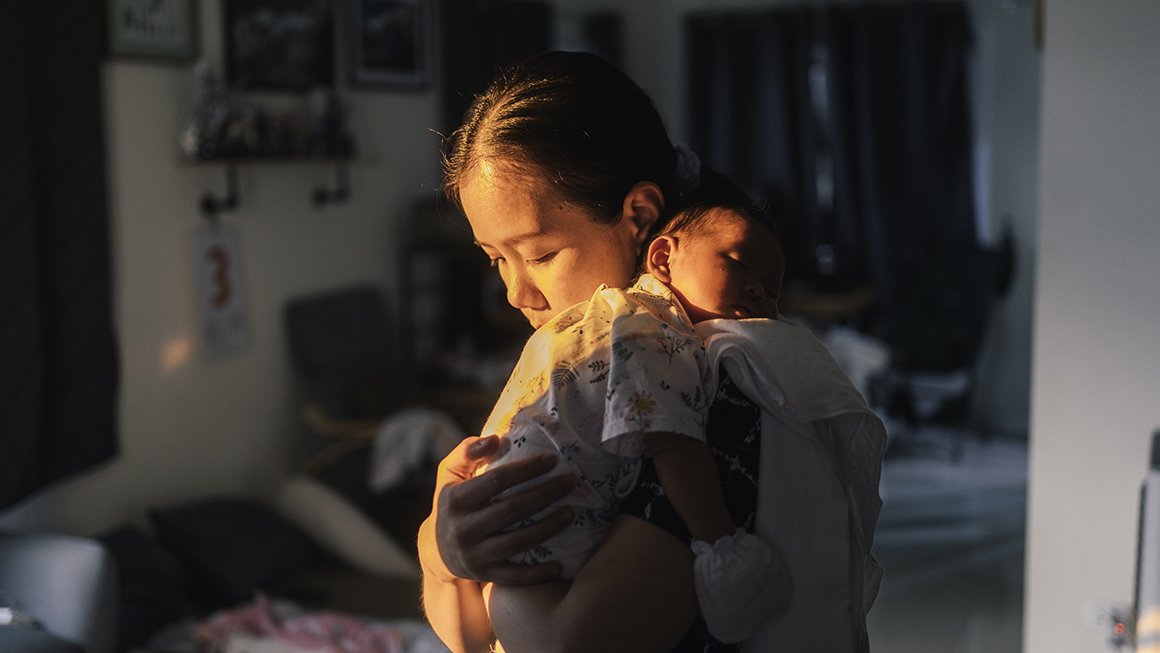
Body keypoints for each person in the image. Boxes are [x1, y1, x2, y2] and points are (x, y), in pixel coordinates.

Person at [418, 50, 885, 653]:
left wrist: (464, 566)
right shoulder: (581, 365)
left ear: (639, 215)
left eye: (539, 255)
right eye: (495, 259)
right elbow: (468, 638)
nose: (516, 292)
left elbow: (572, 645)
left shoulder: (715, 387)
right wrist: (444, 551)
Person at [472, 164, 789, 643]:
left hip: (511, 536)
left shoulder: (617, 320)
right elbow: (673, 446)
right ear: (662, 257)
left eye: (771, 290)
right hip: (539, 534)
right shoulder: (650, 326)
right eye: (740, 264)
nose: (756, 290)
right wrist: (724, 549)